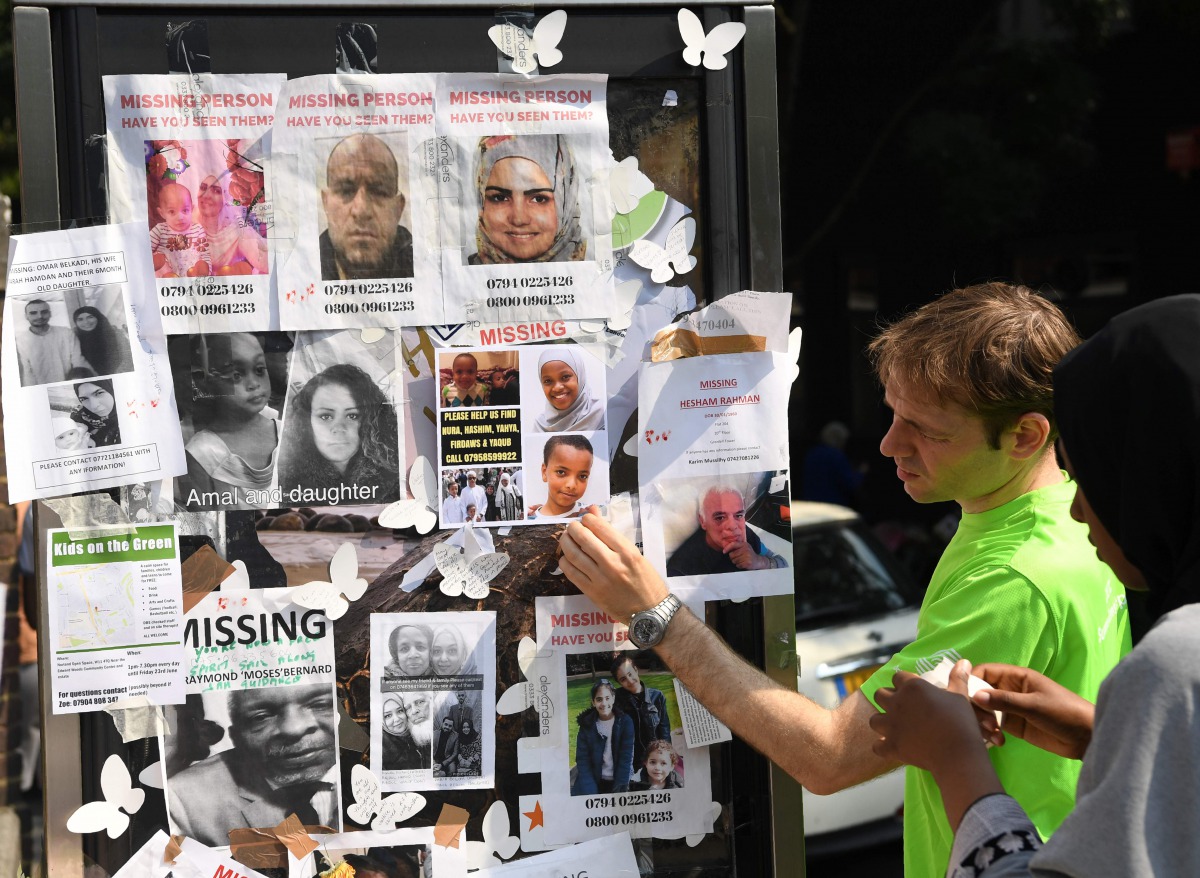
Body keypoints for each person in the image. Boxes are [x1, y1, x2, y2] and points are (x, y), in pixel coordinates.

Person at [559, 282, 1132, 876]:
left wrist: (656, 613)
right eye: (891, 413)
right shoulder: (1069, 522)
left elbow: (829, 757)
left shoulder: (1013, 577)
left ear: (1026, 436)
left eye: (927, 430)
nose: (889, 444)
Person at [867, 294, 1200, 878]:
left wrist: (954, 761)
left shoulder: (1178, 660)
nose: (1074, 510)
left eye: (1094, 473)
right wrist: (1106, 739)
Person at [166, 684, 338, 847]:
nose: (294, 728)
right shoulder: (184, 801)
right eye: (261, 717)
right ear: (237, 738)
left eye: (320, 704)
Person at [278, 363, 401, 503]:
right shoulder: (282, 486)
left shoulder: (399, 478)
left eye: (352, 416)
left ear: (370, 420)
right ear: (306, 421)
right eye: (325, 416)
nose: (339, 428)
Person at [185, 333, 279, 500]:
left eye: (259, 370)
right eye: (236, 375)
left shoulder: (284, 429)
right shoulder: (201, 453)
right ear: (208, 384)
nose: (253, 384)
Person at [471, 134, 586, 264]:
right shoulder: (461, 276)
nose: (519, 219)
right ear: (481, 201)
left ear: (566, 203)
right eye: (500, 198)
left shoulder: (595, 273)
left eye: (539, 199)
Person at [319, 133, 413, 280]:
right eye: (346, 190)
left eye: (379, 192)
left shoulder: (422, 265)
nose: (361, 210)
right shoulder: (302, 268)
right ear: (326, 203)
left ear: (398, 209)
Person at [666, 486, 787, 576]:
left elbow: (783, 564)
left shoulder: (748, 536)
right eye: (720, 518)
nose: (733, 526)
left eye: (738, 515)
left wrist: (760, 562)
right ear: (703, 521)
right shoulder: (680, 568)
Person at [196, 172, 268, 274]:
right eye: (203, 188)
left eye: (216, 191)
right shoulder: (187, 220)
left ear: (225, 197)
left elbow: (262, 259)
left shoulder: (235, 228)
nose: (206, 195)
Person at [572, 679, 634, 796]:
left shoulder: (625, 722)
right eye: (599, 699)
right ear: (593, 702)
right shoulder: (587, 725)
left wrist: (619, 790)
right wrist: (591, 793)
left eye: (607, 698)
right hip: (595, 781)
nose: (604, 703)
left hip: (618, 780)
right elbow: (582, 760)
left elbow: (626, 759)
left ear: (613, 698)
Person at [611, 654, 671, 773]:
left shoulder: (657, 696)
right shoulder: (616, 699)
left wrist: (666, 757)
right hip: (630, 762)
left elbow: (664, 732)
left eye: (630, 673)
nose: (629, 680)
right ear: (619, 682)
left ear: (636, 670)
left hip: (654, 760)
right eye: (623, 679)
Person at [15, 298, 92, 386]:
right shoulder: (20, 341)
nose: (39, 316)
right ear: (26, 316)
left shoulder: (66, 333)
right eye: (33, 313)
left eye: (44, 312)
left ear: (50, 314)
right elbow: (26, 374)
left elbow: (78, 361)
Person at [534, 348, 604, 433]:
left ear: (580, 376)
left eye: (565, 377)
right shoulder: (540, 425)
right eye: (548, 381)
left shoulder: (603, 414)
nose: (557, 387)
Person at [149, 182, 211, 277]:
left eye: (185, 210)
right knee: (159, 258)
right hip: (167, 272)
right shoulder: (160, 229)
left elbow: (205, 254)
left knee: (201, 262)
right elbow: (146, 247)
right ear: (162, 213)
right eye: (172, 212)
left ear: (192, 209)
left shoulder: (198, 229)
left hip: (191, 271)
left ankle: (201, 274)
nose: (180, 217)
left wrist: (206, 267)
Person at [801, 420, 864, 507]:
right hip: (833, 507)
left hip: (811, 505)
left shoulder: (812, 453)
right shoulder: (836, 456)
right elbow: (850, 484)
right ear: (838, 439)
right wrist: (861, 472)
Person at [528, 435, 592, 520]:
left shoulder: (593, 515)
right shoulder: (527, 520)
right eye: (561, 472)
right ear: (544, 472)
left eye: (582, 476)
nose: (571, 485)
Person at [71, 306, 132, 377]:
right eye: (80, 319)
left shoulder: (116, 333)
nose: (86, 322)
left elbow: (127, 357)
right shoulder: (74, 338)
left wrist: (116, 376)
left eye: (90, 317)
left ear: (98, 317)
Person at [380, 694, 428, 772]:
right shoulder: (382, 749)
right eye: (387, 716)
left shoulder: (417, 732)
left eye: (400, 711)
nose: (396, 719)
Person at [71, 379, 121, 447]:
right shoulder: (78, 417)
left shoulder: (129, 417)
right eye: (84, 399)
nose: (93, 406)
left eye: (99, 393)